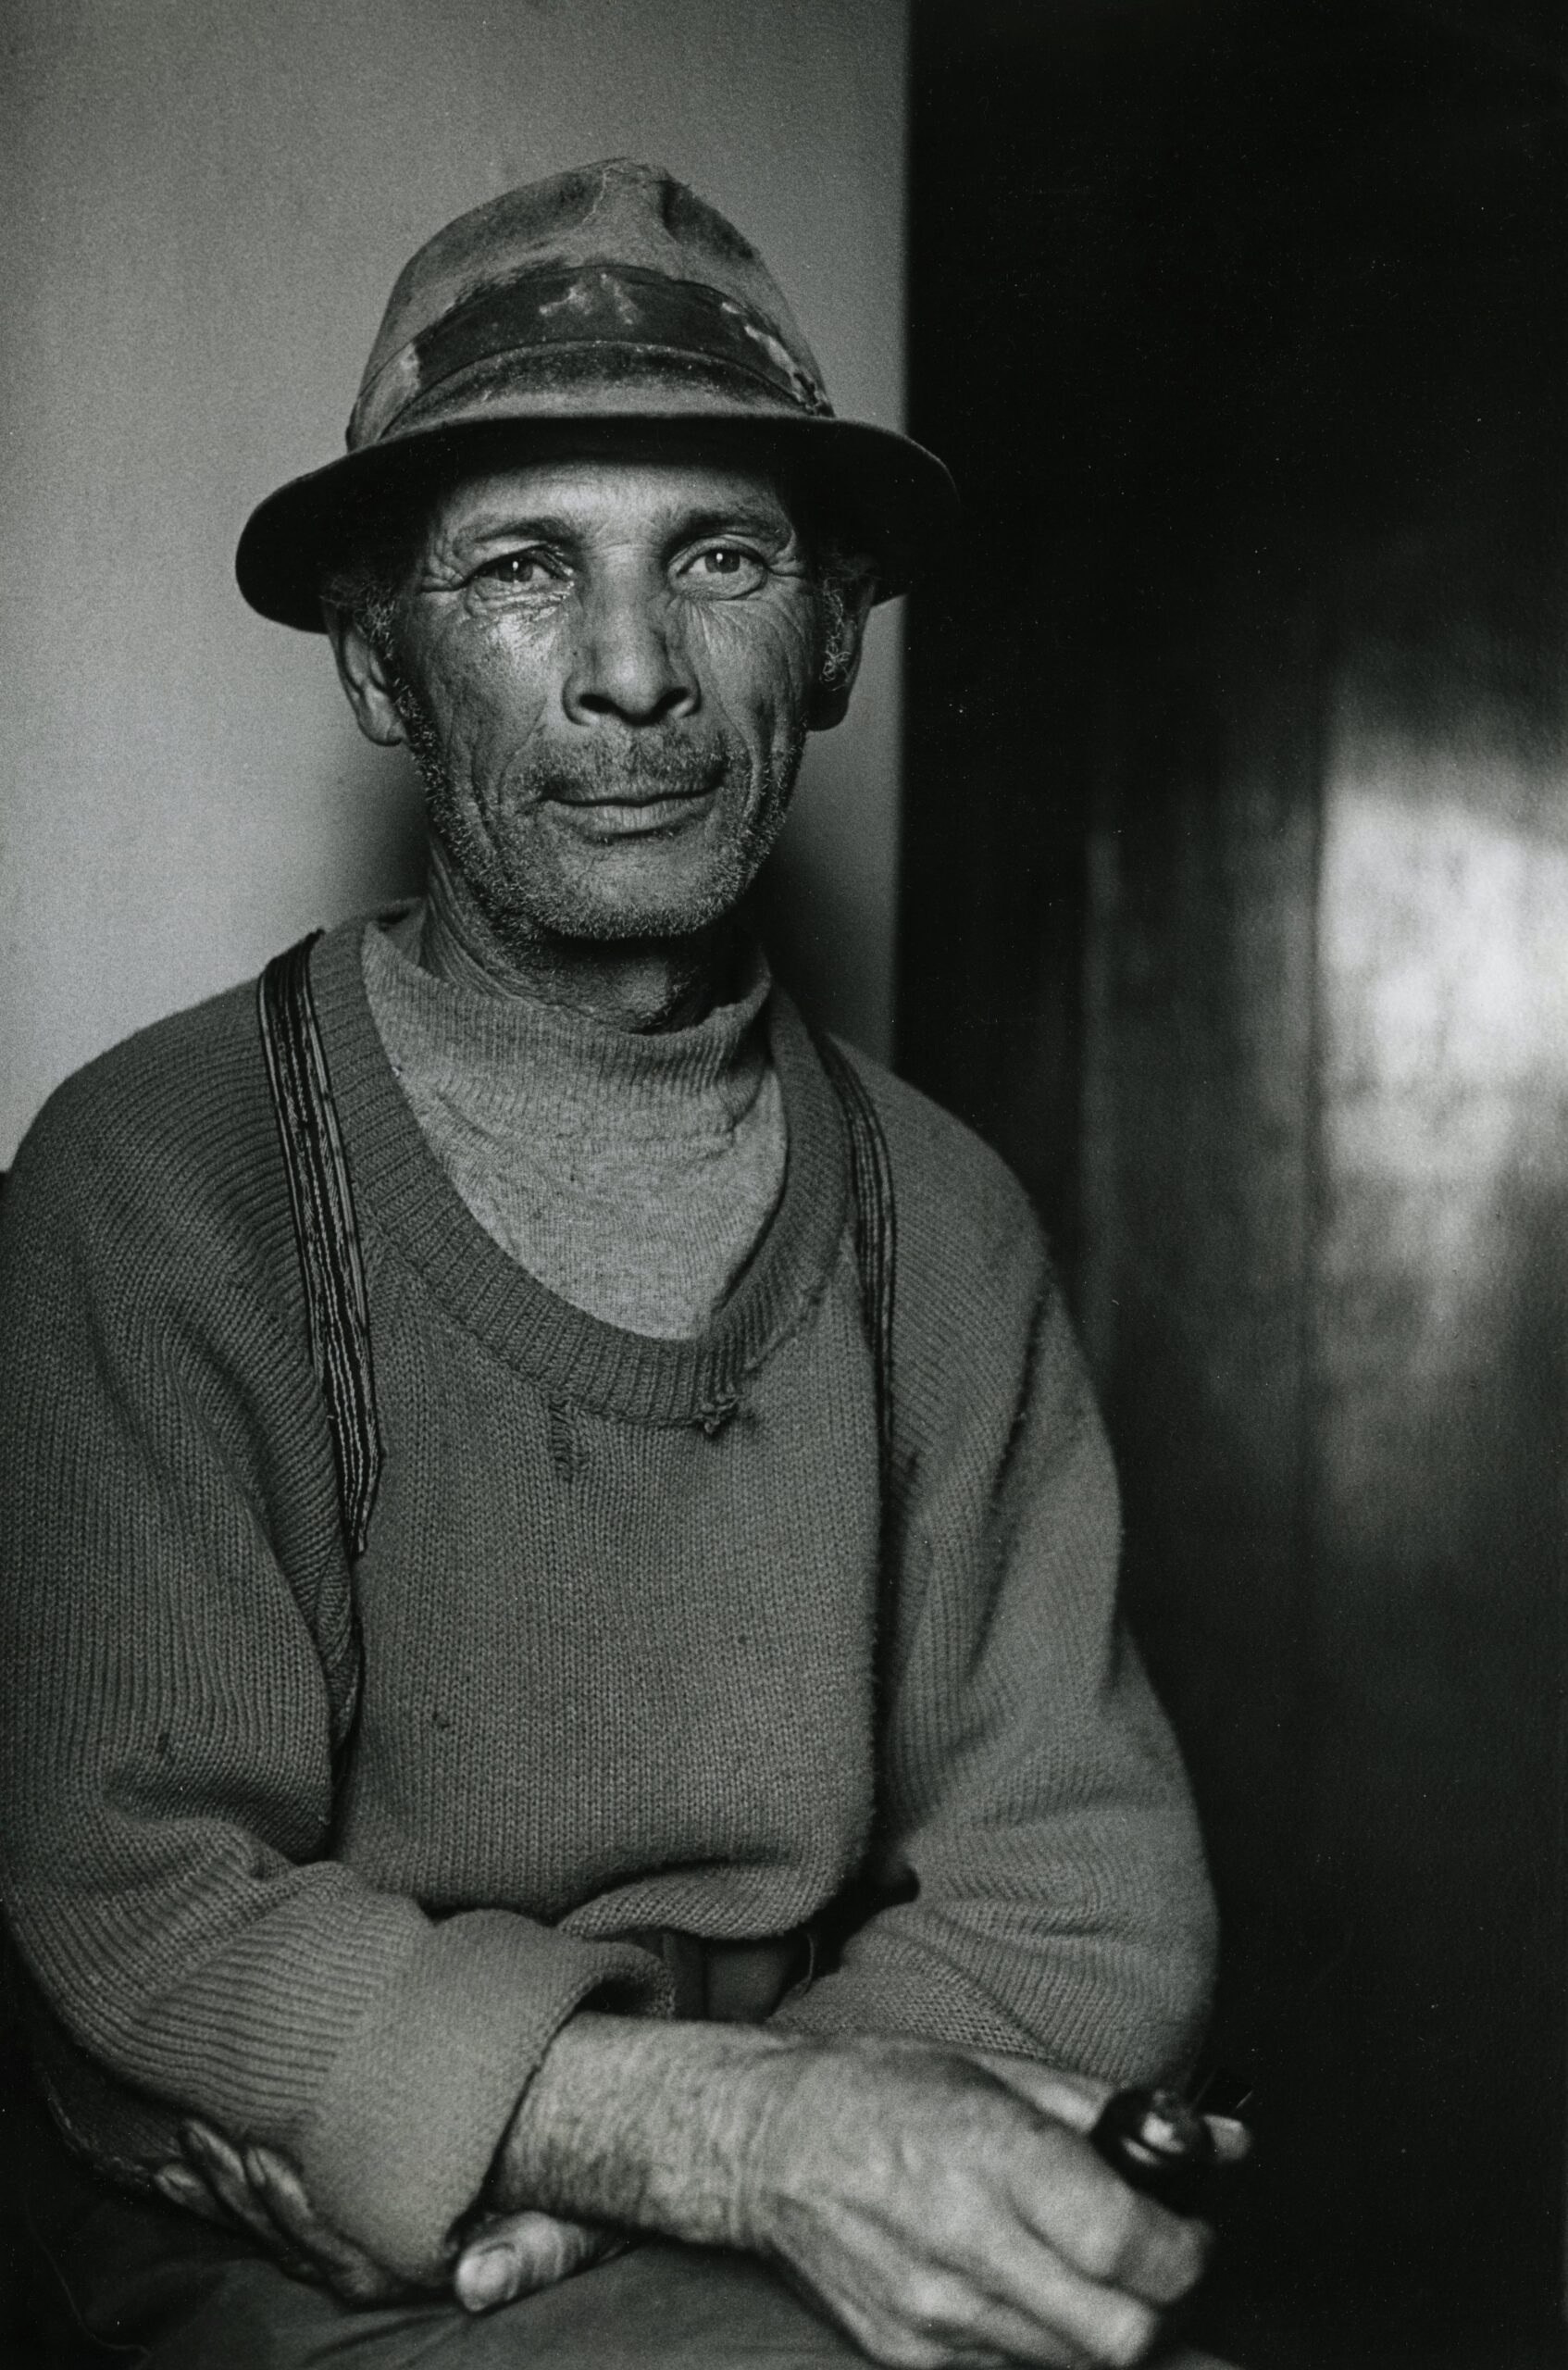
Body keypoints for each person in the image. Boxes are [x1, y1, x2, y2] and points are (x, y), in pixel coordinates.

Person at [0, 160, 1226, 2369]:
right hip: (309, 2285)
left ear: (834, 634)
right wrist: (729, 2138)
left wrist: (753, 2161)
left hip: (719, 2225)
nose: (638, 669)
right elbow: (142, 1895)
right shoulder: (155, 1174)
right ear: (384, 659)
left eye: (720, 560)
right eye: (524, 573)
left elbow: (1078, 1886)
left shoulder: (939, 1219)